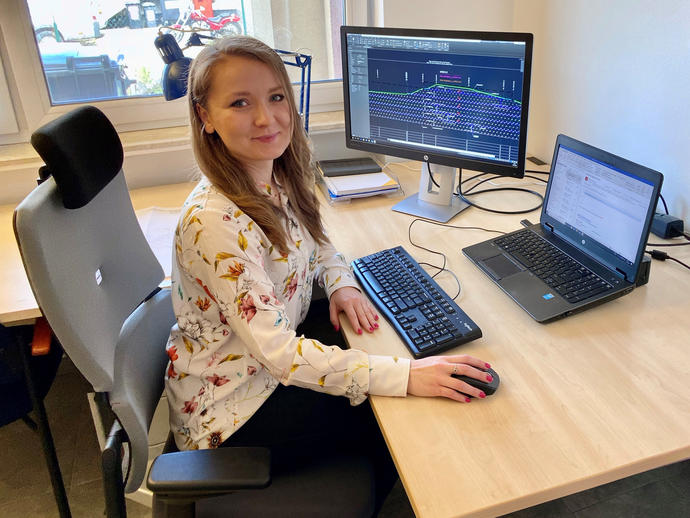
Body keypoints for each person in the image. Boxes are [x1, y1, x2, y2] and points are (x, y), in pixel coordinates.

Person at [164, 34, 494, 511]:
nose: (266, 117)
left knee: (388, 354)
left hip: (261, 362)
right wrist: (406, 378)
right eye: (240, 103)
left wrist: (340, 283)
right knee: (394, 416)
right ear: (205, 117)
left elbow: (317, 238)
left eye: (276, 97)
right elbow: (282, 356)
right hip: (233, 411)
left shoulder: (272, 169)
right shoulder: (214, 221)